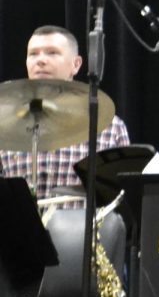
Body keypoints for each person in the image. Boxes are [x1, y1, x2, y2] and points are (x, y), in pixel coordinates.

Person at [0, 25, 131, 200]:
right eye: (33, 54)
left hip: (82, 226)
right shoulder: (3, 121)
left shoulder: (108, 125)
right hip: (20, 227)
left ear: (76, 64)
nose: (41, 60)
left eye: (52, 52)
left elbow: (123, 196)